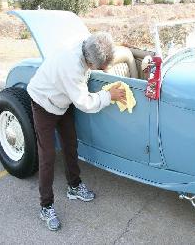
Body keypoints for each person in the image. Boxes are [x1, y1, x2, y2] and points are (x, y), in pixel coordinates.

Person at [27, 32, 126, 231]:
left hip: (62, 98)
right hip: (43, 101)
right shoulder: (71, 67)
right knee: (47, 157)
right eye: (98, 66)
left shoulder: (88, 43)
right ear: (89, 61)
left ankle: (74, 186)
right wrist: (109, 95)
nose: (101, 69)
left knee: (71, 144)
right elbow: (86, 103)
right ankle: (46, 206)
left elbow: (79, 90)